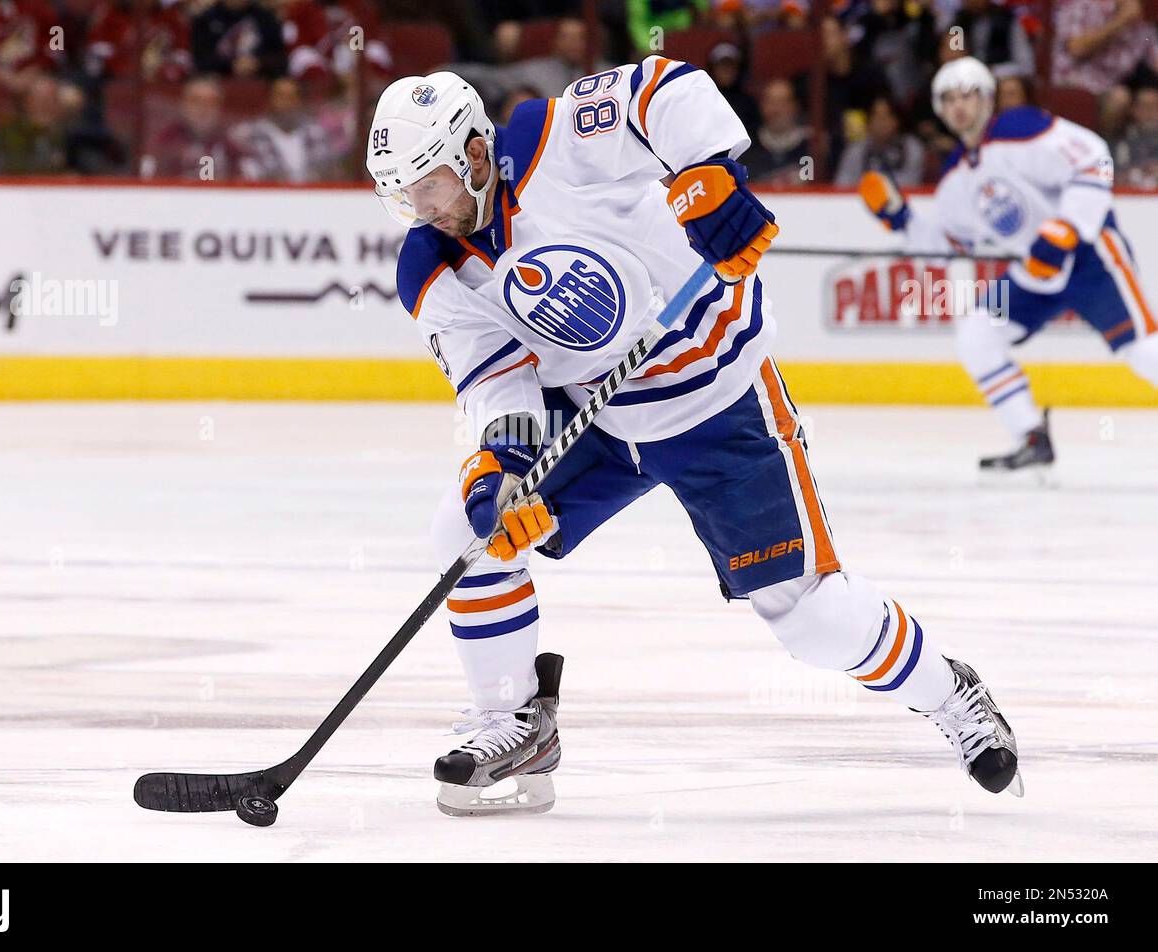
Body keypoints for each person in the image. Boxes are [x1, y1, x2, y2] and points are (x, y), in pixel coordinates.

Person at [366, 64, 1022, 816]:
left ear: (475, 152)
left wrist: (707, 173)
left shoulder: (551, 140)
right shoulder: (430, 267)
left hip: (719, 402)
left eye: (431, 186)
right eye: (402, 197)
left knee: (814, 620)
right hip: (600, 420)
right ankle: (516, 719)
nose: (422, 210)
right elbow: (496, 377)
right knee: (469, 530)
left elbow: (663, 88)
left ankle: (949, 692)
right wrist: (500, 471)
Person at [858, 57, 1157, 471]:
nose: (959, 106)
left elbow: (1094, 159)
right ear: (940, 110)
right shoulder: (954, 178)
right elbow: (947, 249)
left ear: (987, 99)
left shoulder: (1022, 129)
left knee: (1142, 349)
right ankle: (1032, 438)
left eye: (968, 94)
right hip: (1033, 274)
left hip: (1091, 257)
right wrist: (900, 218)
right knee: (979, 333)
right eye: (949, 99)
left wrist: (1068, 226)